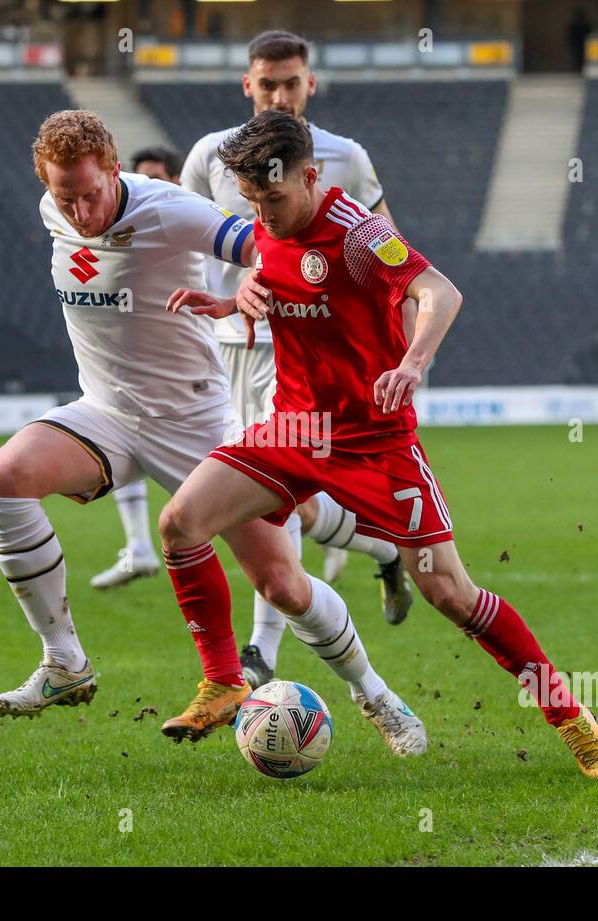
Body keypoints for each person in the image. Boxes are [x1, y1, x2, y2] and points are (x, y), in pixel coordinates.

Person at [158, 110, 598, 780]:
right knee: (180, 523)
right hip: (292, 429)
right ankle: (224, 680)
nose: (265, 214)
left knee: (450, 594)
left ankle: (571, 718)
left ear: (311, 176)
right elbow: (281, 270)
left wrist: (413, 362)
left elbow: (440, 291)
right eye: (254, 202)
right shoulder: (267, 215)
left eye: (276, 199)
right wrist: (235, 301)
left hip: (374, 441)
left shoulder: (358, 234)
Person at [0, 110, 424, 758]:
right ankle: (65, 662)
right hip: (107, 414)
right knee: (7, 478)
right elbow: (69, 212)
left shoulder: (168, 211)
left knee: (281, 586)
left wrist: (254, 279)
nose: (77, 209)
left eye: (89, 191)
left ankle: (375, 694)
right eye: (63, 195)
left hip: (194, 424)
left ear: (115, 168)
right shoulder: (55, 208)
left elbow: (262, 243)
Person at [176, 29, 414, 690]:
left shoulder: (345, 157)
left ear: (312, 84)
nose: (279, 94)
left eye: (291, 82)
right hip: (222, 353)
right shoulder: (209, 158)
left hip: (299, 352)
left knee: (274, 498)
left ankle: (260, 650)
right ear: (246, 85)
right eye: (267, 83)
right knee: (293, 507)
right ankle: (383, 547)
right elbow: (197, 239)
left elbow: (388, 255)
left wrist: (396, 351)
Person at [87, 144, 185, 591]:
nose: (148, 188)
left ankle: (376, 548)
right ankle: (139, 548)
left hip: (218, 368)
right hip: (153, 375)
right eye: (141, 178)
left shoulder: (187, 221)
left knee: (279, 504)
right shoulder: (127, 228)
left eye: (158, 178)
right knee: (122, 430)